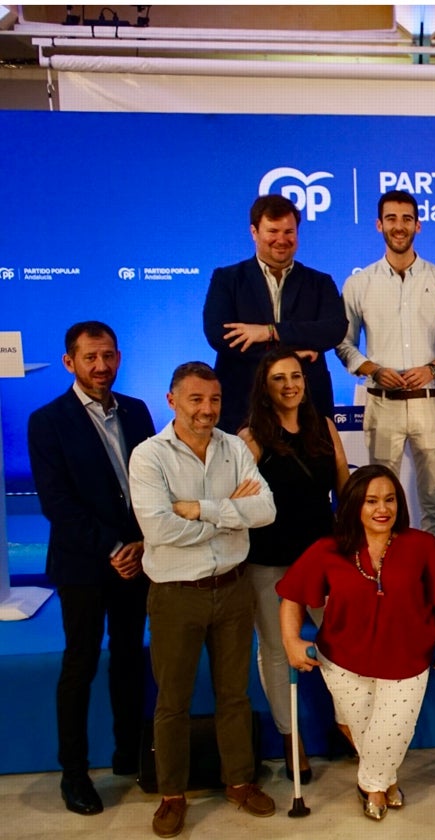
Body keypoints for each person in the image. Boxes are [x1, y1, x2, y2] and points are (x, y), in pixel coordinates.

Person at [128, 361, 278, 838]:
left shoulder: (235, 448)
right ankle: (173, 794)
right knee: (172, 701)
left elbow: (266, 510)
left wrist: (198, 509)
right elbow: (158, 529)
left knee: (234, 694)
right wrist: (232, 512)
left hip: (233, 589)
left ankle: (239, 781)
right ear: (172, 400)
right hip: (176, 595)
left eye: (213, 400)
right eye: (195, 399)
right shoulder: (149, 457)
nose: (206, 409)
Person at [277, 465, 435, 820]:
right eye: (371, 501)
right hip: (342, 659)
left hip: (407, 658)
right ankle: (386, 780)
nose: (383, 509)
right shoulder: (328, 549)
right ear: (353, 505)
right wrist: (290, 640)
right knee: (361, 728)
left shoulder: (421, 545)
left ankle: (374, 787)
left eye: (390, 499)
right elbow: (292, 597)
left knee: (393, 729)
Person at [27, 321, 156, 816]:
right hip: (84, 564)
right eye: (89, 358)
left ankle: (129, 754)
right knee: (79, 665)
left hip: (139, 561)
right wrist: (115, 547)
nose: (100, 367)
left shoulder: (139, 410)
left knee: (129, 658)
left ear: (119, 357)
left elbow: (151, 485)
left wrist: (143, 544)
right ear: (70, 362)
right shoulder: (47, 421)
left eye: (108, 356)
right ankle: (74, 775)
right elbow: (57, 504)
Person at [237, 347, 350, 783]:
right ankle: (290, 738)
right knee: (275, 650)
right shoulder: (249, 438)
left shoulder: (323, 427)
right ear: (264, 388)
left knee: (339, 641)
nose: (290, 385)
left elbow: (344, 484)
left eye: (296, 376)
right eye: (279, 378)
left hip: (322, 557)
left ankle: (348, 723)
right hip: (268, 562)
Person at [337, 189, 435, 543]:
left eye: (407, 218)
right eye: (391, 218)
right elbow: (344, 344)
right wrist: (372, 369)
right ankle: (384, 576)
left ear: (418, 225)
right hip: (381, 403)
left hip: (429, 401)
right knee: (378, 501)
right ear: (379, 224)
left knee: (433, 502)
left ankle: (434, 578)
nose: (399, 225)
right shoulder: (359, 284)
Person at [202, 194, 348, 432]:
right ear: (254, 232)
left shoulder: (319, 282)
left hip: (307, 410)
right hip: (244, 407)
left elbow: (333, 330)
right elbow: (219, 335)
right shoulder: (227, 279)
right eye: (273, 231)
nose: (282, 239)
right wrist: (289, 357)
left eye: (289, 232)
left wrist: (269, 332)